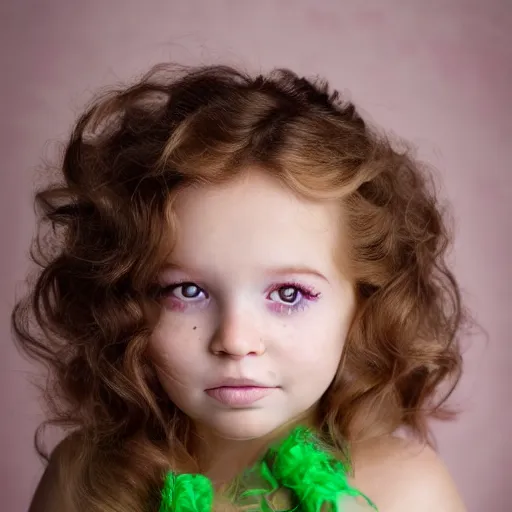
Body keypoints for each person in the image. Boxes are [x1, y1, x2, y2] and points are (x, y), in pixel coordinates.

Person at [12, 64, 468, 511]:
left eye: (289, 295)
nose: (235, 341)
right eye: (188, 291)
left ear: (362, 305)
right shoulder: (82, 478)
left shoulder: (404, 492)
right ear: (126, 303)